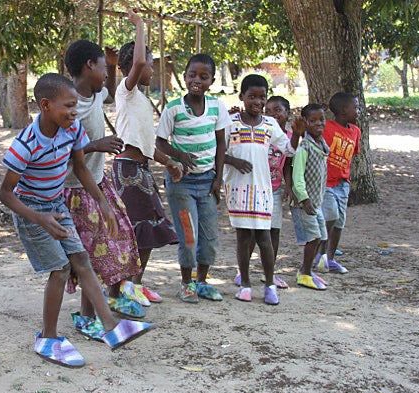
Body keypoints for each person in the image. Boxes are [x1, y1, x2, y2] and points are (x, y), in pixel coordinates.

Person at [0, 73, 154, 367]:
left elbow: (81, 168)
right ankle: (48, 337)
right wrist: (40, 219)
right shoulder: (26, 143)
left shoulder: (72, 131)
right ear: (45, 105)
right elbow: (6, 194)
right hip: (32, 210)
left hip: (56, 204)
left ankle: (111, 326)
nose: (73, 112)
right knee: (59, 269)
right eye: (68, 106)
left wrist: (103, 203)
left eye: (75, 107)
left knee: (81, 260)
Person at [62, 38, 147, 319]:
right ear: (88, 66)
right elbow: (60, 150)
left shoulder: (96, 95)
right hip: (76, 192)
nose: (107, 75)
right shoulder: (69, 103)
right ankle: (87, 317)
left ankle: (111, 300)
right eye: (102, 68)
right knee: (90, 254)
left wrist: (109, 63)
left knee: (119, 239)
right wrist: (96, 145)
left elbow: (110, 91)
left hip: (99, 184)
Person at [110, 9, 181, 304]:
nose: (152, 70)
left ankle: (134, 284)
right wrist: (139, 25)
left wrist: (169, 162)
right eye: (151, 65)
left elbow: (147, 143)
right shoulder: (125, 91)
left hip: (141, 170)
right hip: (127, 169)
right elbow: (138, 61)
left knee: (149, 230)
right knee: (138, 231)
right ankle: (125, 286)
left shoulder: (140, 99)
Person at [156, 53, 229, 304]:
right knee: (189, 236)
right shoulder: (173, 108)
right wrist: (180, 156)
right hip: (181, 184)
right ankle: (187, 283)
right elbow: (159, 141)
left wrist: (218, 179)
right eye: (192, 75)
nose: (197, 80)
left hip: (207, 181)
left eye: (204, 76)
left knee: (209, 237)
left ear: (212, 80)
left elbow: (221, 144)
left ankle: (202, 281)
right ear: (185, 77)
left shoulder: (217, 107)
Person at [223, 74, 301, 305]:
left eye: (262, 97)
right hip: (237, 189)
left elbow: (288, 150)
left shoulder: (269, 125)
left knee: (264, 237)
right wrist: (233, 161)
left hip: (263, 190)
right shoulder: (231, 122)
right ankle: (245, 284)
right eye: (252, 97)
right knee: (243, 237)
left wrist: (296, 133)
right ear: (242, 97)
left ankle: (269, 285)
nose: (257, 102)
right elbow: (217, 151)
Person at [233, 96, 295, 289]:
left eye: (277, 110)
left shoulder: (281, 133)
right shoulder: (242, 124)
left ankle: (269, 276)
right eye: (269, 110)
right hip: (248, 189)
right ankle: (243, 275)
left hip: (271, 191)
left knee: (269, 234)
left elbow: (289, 160)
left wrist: (289, 187)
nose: (271, 114)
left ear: (287, 114)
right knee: (247, 234)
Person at [315, 92, 361, 275]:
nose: (358, 110)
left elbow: (353, 154)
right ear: (343, 110)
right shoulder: (326, 128)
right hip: (325, 183)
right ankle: (320, 254)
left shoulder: (355, 131)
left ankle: (330, 258)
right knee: (331, 215)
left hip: (343, 183)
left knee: (340, 222)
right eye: (355, 107)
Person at [290, 104, 330, 290]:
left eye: (321, 120)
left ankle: (306, 270)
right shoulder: (304, 148)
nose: (318, 124)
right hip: (304, 203)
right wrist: (304, 199)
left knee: (321, 236)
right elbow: (297, 178)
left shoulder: (321, 145)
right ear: (304, 123)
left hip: (316, 201)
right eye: (312, 121)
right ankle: (304, 274)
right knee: (312, 237)